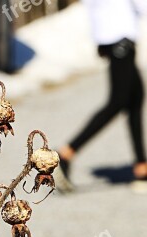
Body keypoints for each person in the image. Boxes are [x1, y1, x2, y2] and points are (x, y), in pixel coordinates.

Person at [57, 0, 147, 192]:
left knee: (136, 97)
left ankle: (141, 167)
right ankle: (66, 153)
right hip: (120, 39)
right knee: (118, 101)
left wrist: (100, 38)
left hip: (112, 39)